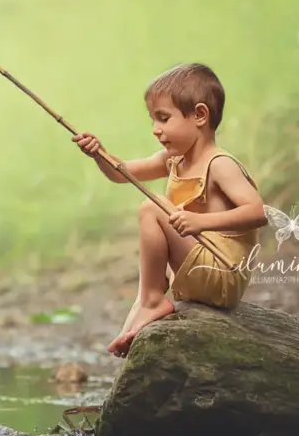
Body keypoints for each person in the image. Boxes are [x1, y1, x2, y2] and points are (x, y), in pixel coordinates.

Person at [73, 63, 267, 357]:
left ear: (200, 115)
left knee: (152, 209)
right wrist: (98, 153)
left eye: (163, 119)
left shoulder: (219, 164)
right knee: (146, 280)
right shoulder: (173, 160)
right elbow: (122, 173)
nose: (155, 130)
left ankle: (153, 301)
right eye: (153, 120)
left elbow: (259, 212)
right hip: (195, 270)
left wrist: (202, 221)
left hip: (220, 271)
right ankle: (140, 317)